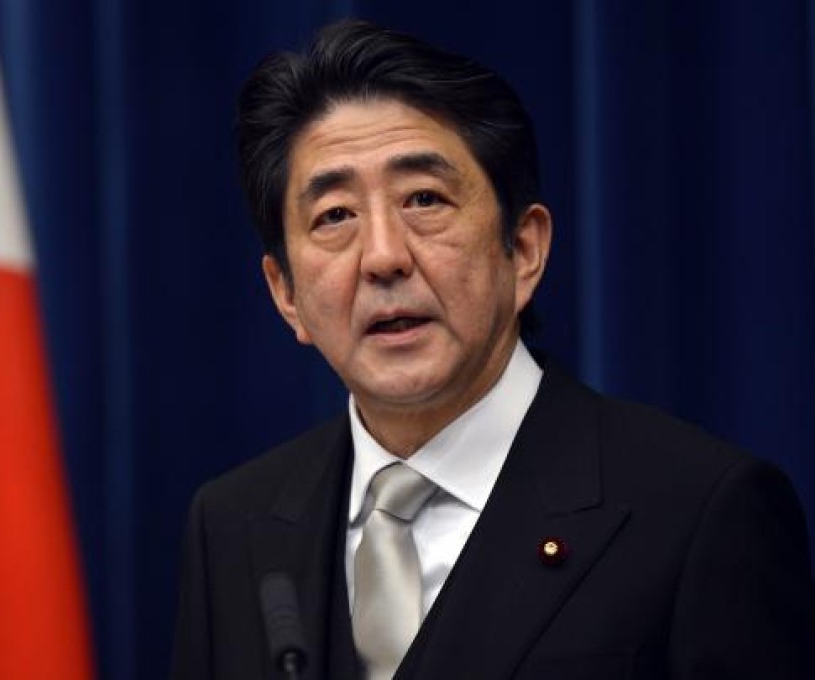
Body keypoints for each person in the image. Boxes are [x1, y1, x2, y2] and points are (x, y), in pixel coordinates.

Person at [171, 19, 815, 679]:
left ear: (524, 250)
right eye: (335, 216)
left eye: (424, 199)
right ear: (286, 296)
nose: (384, 257)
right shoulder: (232, 524)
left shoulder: (699, 511)